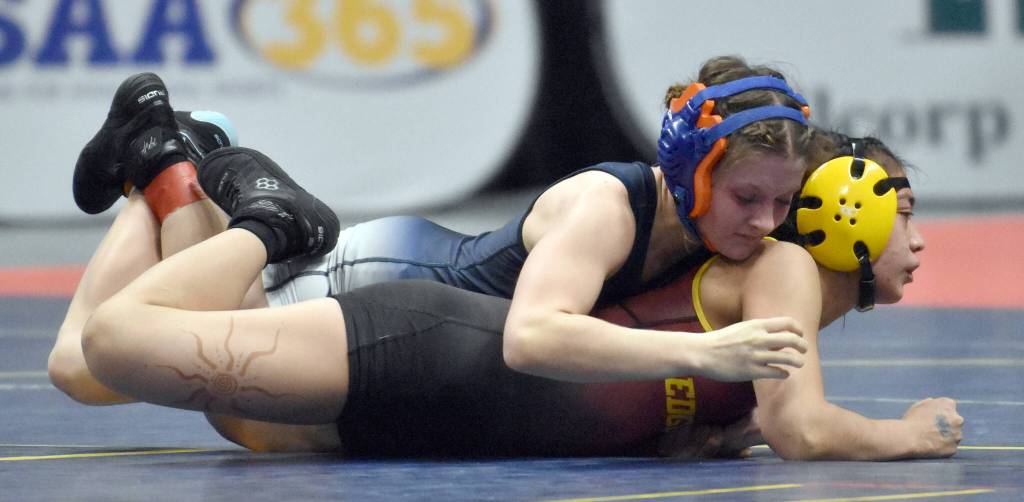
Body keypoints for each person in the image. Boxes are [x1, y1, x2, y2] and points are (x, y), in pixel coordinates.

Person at [72, 131, 962, 459]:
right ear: (847, 209)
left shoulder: (762, 280)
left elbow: (761, 413)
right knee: (101, 356)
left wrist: (702, 428)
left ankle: (168, 169)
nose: (920, 243)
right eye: (905, 214)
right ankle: (271, 220)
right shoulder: (784, 267)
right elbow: (806, 430)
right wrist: (910, 436)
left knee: (226, 420)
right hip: (426, 332)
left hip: (425, 424)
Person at [51, 55, 818, 407]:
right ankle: (258, 215)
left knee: (86, 365)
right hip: (373, 286)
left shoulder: (703, 229)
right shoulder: (605, 207)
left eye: (782, 205)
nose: (765, 223)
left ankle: (160, 154)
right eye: (748, 197)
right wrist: (701, 353)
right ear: (690, 171)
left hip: (403, 287)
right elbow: (533, 338)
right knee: (85, 371)